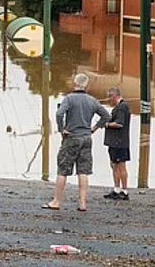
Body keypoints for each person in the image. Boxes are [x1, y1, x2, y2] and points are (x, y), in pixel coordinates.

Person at [43, 73, 110, 212]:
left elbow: (59, 113)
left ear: (74, 83)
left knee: (63, 170)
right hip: (86, 137)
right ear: (87, 85)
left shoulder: (69, 99)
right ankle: (83, 203)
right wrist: (95, 128)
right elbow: (106, 115)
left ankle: (56, 201)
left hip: (72, 137)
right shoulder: (92, 100)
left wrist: (62, 129)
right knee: (83, 171)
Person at [102, 87, 131, 201]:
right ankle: (116, 189)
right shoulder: (118, 108)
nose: (109, 100)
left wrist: (107, 124)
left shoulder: (122, 107)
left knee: (121, 166)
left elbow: (119, 123)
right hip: (114, 142)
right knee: (114, 165)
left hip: (120, 142)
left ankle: (124, 191)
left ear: (114, 96)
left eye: (110, 97)